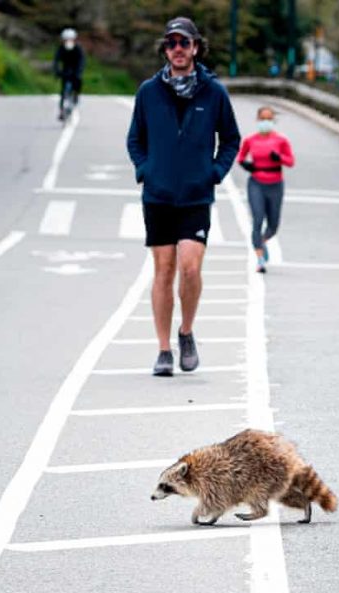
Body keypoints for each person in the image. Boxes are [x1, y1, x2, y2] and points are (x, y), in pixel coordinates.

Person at [126, 16, 240, 377]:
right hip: (158, 195)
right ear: (166, 49)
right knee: (163, 270)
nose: (178, 49)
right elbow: (135, 140)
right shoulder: (148, 92)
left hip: (195, 196)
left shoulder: (213, 92)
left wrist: (214, 173)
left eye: (184, 43)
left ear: (195, 48)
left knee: (190, 269)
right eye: (172, 43)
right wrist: (146, 169)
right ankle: (163, 350)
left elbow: (231, 140)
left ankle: (186, 332)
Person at [236, 106, 295, 273]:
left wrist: (279, 158)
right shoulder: (250, 140)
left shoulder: (281, 141)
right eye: (262, 119)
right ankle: (260, 258)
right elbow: (240, 157)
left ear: (273, 121)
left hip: (275, 184)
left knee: (273, 224)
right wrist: (246, 165)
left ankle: (262, 240)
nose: (265, 122)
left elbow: (291, 162)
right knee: (257, 219)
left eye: (269, 119)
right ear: (257, 120)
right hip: (256, 183)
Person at [53, 28, 85, 121]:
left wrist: (79, 71)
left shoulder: (78, 48)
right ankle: (62, 111)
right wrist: (57, 71)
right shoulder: (61, 49)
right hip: (66, 69)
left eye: (70, 39)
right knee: (63, 91)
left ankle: (76, 95)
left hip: (75, 68)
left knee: (78, 80)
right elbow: (56, 61)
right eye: (66, 39)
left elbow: (81, 61)